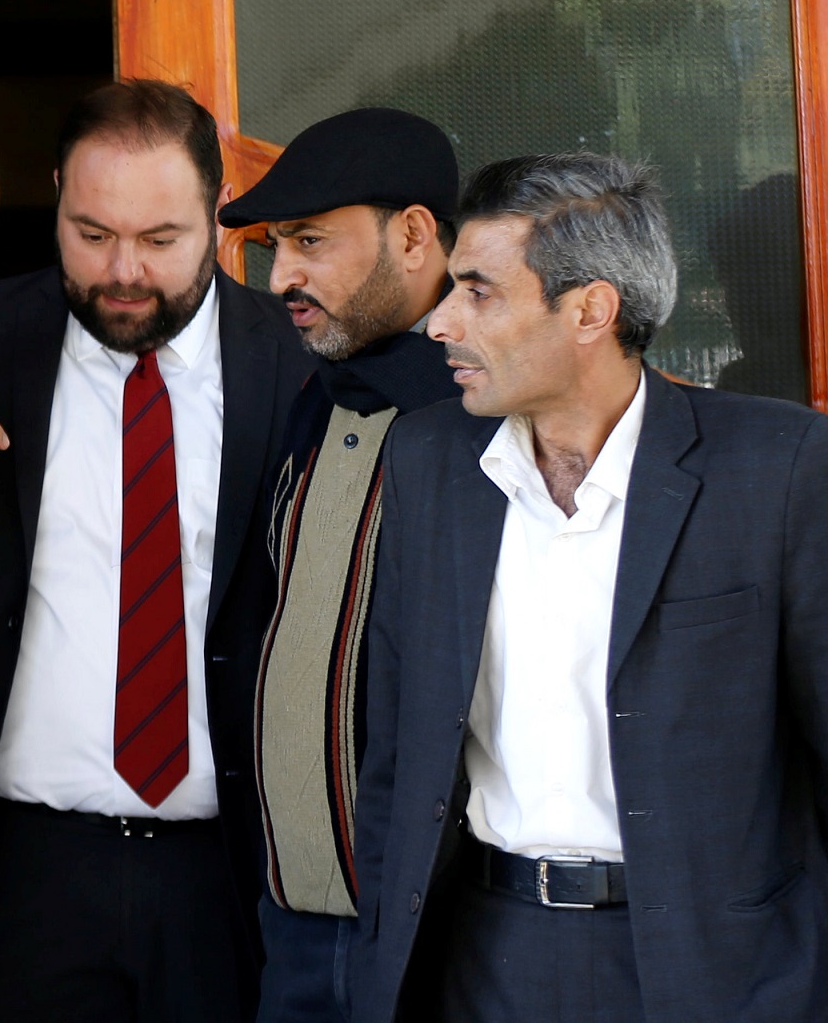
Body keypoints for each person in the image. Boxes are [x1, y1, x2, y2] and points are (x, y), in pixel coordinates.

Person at [0, 79, 312, 1022]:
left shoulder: (297, 364)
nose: (124, 271)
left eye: (160, 239)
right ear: (58, 196)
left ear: (218, 211)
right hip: (15, 876)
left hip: (231, 876)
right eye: (93, 233)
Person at [352, 153, 828, 1023]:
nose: (441, 321)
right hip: (482, 955)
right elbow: (394, 746)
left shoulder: (779, 467)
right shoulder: (427, 460)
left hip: (722, 973)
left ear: (590, 311)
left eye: (479, 292)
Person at [213, 109, 460, 1023]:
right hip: (295, 920)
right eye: (277, 245)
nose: (282, 275)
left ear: (414, 235)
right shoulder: (316, 399)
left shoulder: (492, 419)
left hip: (434, 931)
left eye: (310, 241)